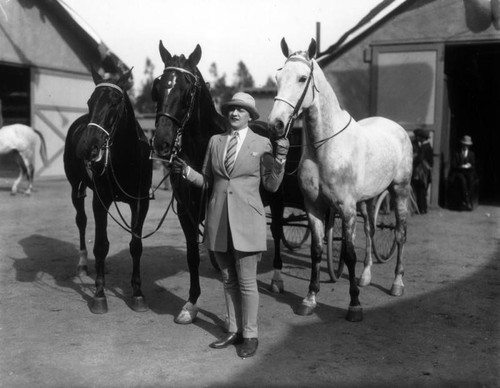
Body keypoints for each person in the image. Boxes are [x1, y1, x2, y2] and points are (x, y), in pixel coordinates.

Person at [171, 92, 289, 359]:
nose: (235, 113)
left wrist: (280, 160)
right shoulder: (216, 141)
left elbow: (271, 185)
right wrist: (188, 173)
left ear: (250, 116)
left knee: (247, 282)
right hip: (219, 220)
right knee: (228, 279)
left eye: (241, 110)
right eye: (232, 109)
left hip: (247, 221)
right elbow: (209, 181)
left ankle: (250, 334)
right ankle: (234, 329)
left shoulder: (262, 143)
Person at [449, 135, 477, 211]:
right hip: (459, 172)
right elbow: (454, 165)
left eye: (467, 145)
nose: (465, 146)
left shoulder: (471, 154)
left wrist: (469, 166)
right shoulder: (457, 153)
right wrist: (462, 166)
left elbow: (473, 165)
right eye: (464, 145)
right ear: (462, 144)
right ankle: (466, 200)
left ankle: (469, 200)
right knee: (462, 181)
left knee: (471, 181)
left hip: (468, 172)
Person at [411, 128, 434, 214]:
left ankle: (421, 209)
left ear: (422, 138)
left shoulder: (424, 147)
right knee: (423, 191)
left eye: (419, 137)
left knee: (421, 191)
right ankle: (423, 209)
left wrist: (415, 157)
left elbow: (420, 159)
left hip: (422, 173)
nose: (417, 138)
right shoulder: (427, 146)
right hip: (425, 173)